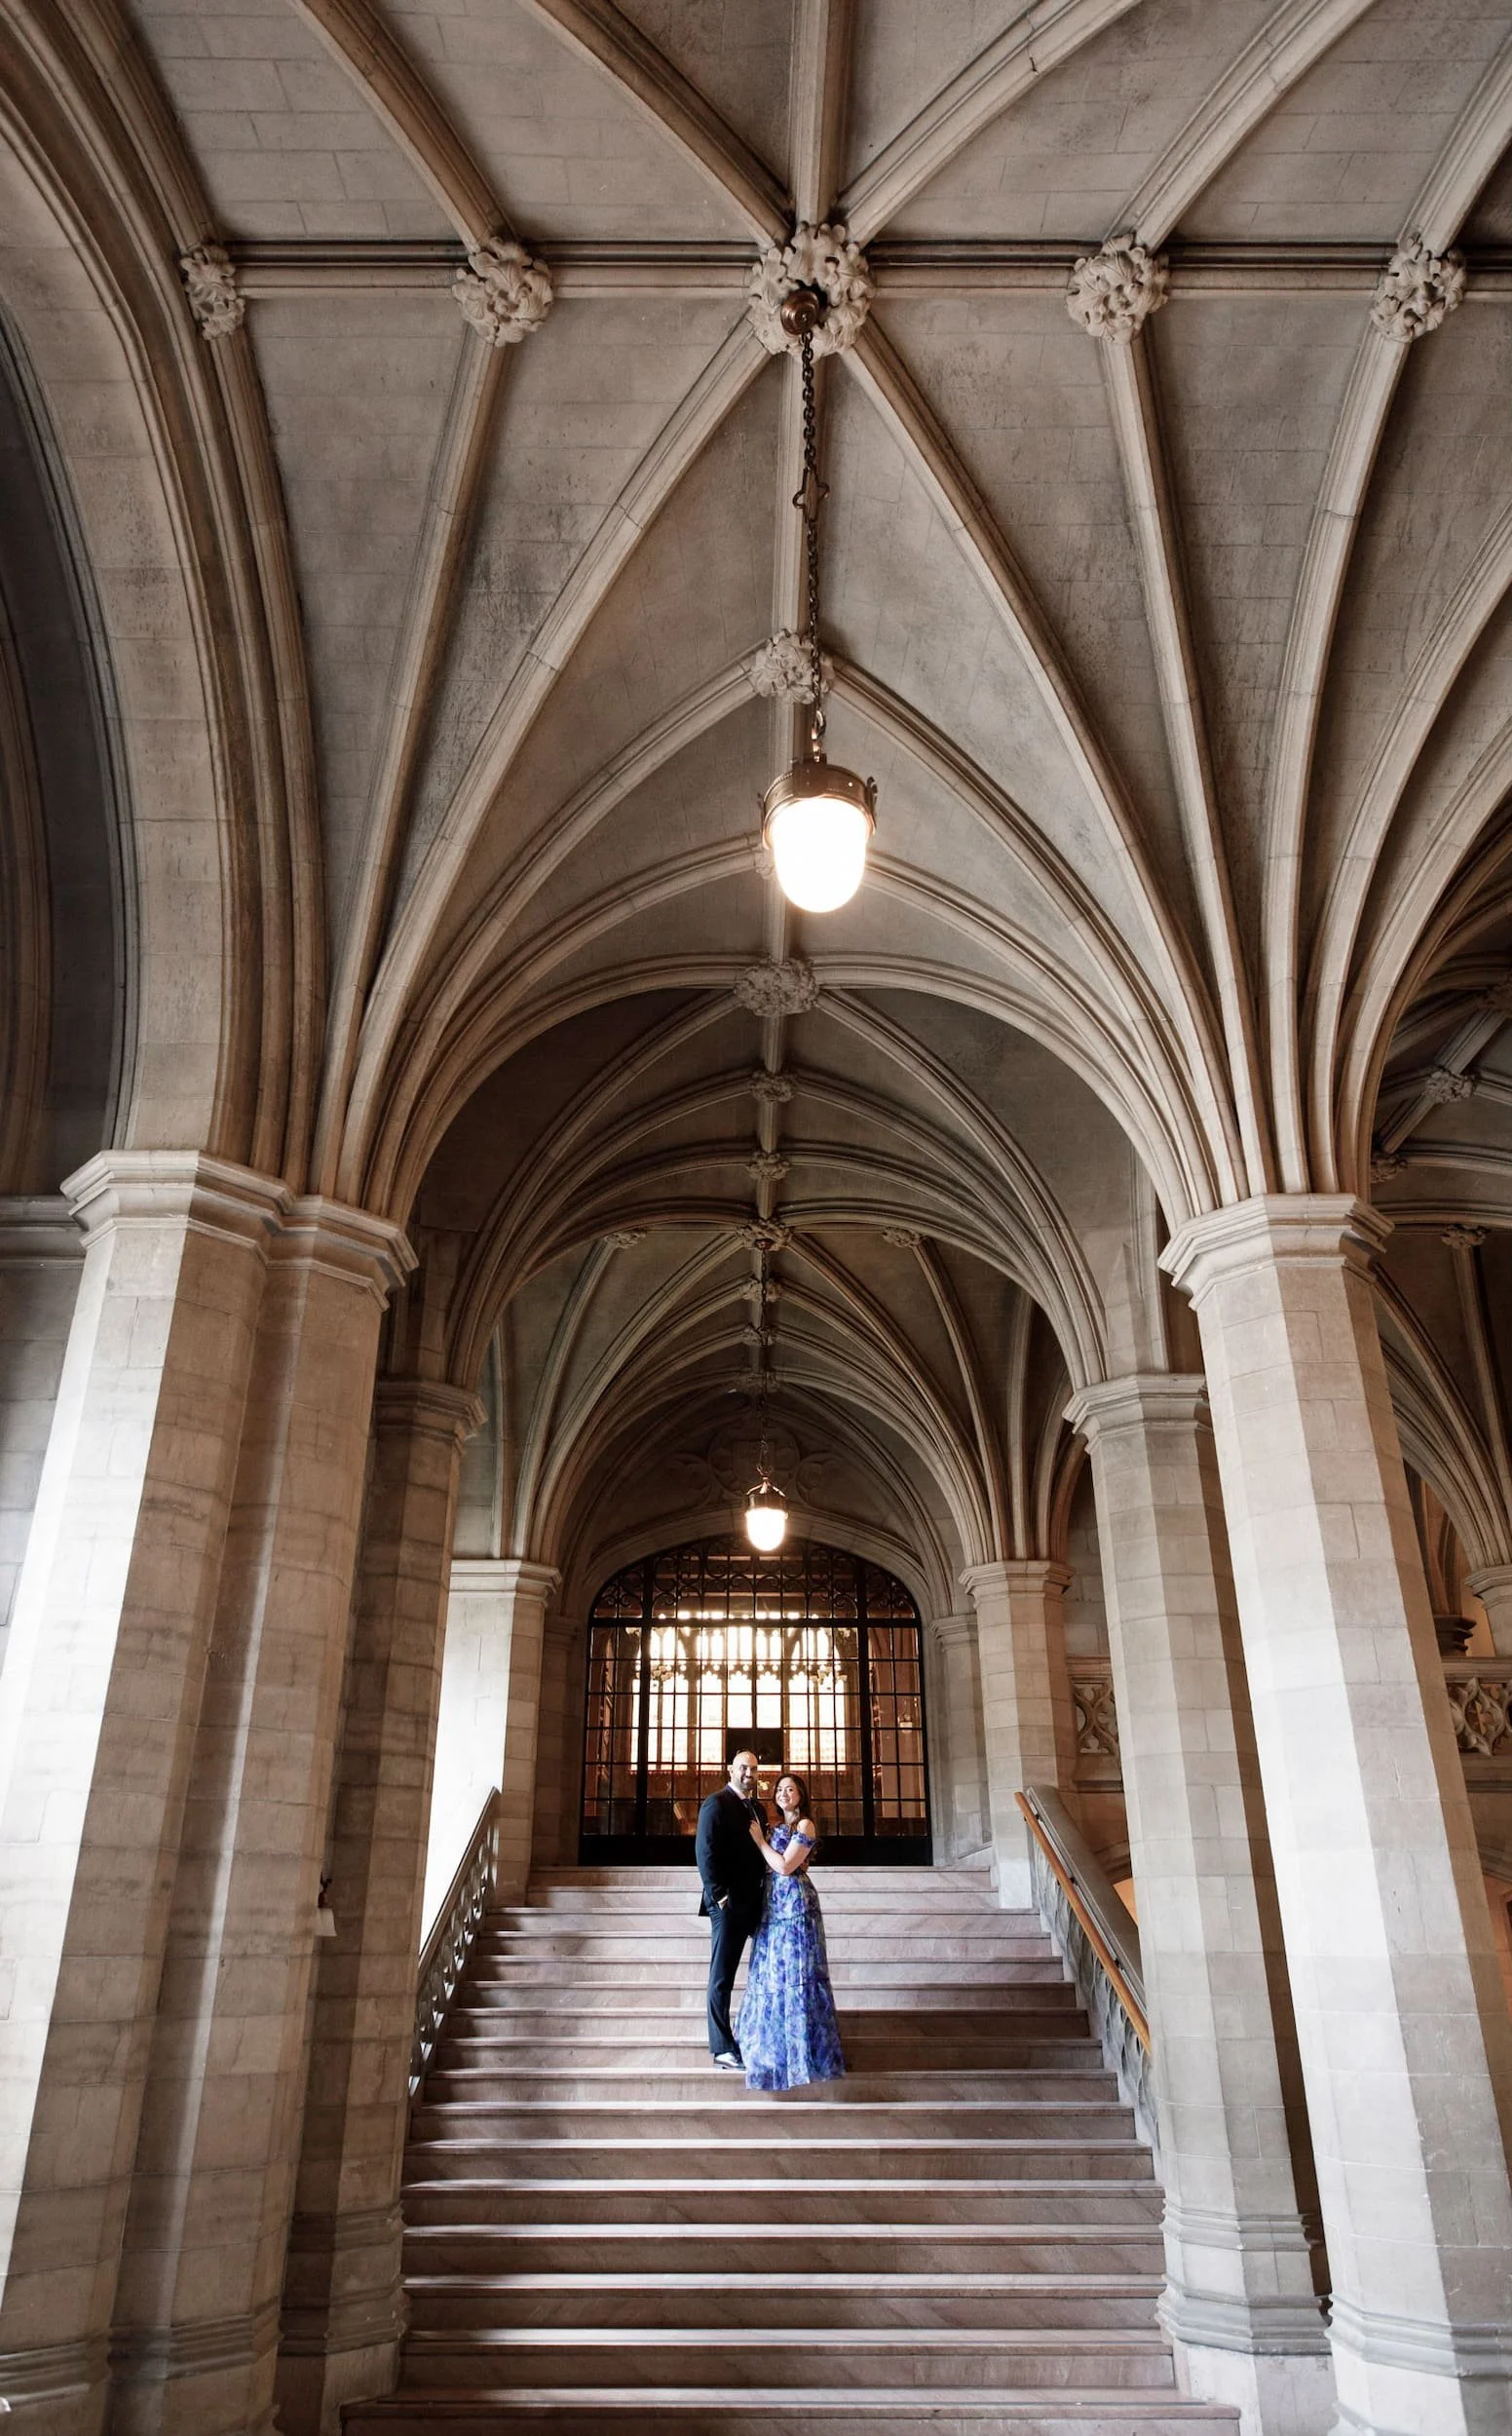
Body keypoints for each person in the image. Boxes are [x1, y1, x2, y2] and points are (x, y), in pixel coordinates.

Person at [737, 1771, 845, 2092]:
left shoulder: (804, 1825)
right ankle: (773, 2056)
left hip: (796, 1906)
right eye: (780, 1789)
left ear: (801, 1795)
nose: (784, 1794)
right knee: (772, 1976)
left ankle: (806, 2058)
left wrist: (759, 1842)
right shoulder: (778, 1827)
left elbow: (785, 1866)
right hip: (773, 1907)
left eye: (791, 1789)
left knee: (798, 1975)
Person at [695, 1748, 768, 2071]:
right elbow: (705, 1852)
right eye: (742, 1768)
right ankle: (722, 2048)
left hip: (753, 1903)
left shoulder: (757, 1808)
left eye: (752, 1769)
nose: (748, 1774)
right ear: (730, 1770)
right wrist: (720, 1896)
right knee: (721, 1975)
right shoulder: (716, 1803)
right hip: (727, 1904)